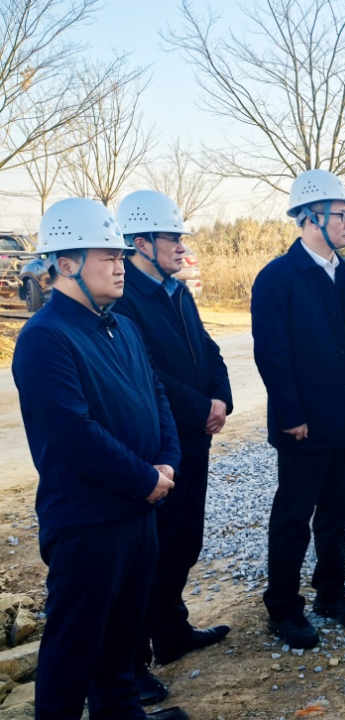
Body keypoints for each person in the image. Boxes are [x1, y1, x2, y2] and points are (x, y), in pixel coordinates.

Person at [12, 198, 188, 719]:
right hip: (87, 522)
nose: (119, 266)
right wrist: (143, 477)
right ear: (66, 264)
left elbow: (156, 396)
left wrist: (168, 461)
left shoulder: (121, 326)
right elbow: (75, 432)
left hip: (138, 510)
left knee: (121, 640)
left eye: (120, 256)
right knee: (74, 648)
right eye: (106, 256)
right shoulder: (44, 338)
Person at [251, 169, 345, 649]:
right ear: (309, 217)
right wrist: (291, 415)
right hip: (304, 425)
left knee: (339, 510)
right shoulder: (278, 278)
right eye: (342, 215)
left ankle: (331, 591)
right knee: (293, 517)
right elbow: (272, 354)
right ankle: (283, 607)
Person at [113, 190, 233, 704]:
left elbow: (207, 347)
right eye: (172, 238)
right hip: (160, 443)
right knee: (151, 554)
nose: (182, 247)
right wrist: (199, 407)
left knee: (185, 540)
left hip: (194, 440)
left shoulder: (177, 292)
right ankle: (133, 662)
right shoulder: (124, 297)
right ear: (141, 242)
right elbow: (148, 372)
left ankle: (171, 630)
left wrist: (221, 398)